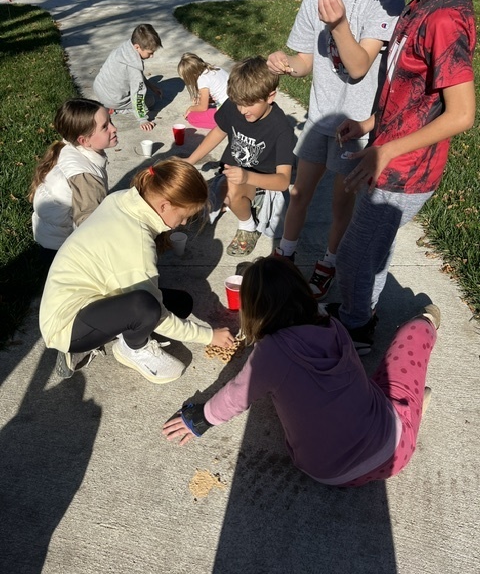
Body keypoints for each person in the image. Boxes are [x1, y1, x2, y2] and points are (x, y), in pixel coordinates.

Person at [163, 257, 440, 487]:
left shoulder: (270, 353)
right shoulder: (334, 327)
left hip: (326, 471)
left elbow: (236, 395)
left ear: (254, 311)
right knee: (412, 334)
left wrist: (202, 418)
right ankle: (426, 331)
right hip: (391, 448)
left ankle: (412, 409)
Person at [327, 0, 476, 354]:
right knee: (370, 248)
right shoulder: (421, 4)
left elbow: (461, 113)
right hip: (389, 156)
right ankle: (361, 311)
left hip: (407, 170)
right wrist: (368, 124)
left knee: (356, 254)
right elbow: (413, 94)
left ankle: (355, 328)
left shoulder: (446, 15)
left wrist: (386, 150)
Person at [267, 0, 405, 299]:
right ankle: (285, 256)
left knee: (340, 203)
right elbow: (306, 62)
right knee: (299, 194)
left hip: (355, 124)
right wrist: (286, 65)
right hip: (319, 117)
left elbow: (359, 66)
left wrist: (339, 24)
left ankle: (329, 261)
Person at [39, 159, 234, 384]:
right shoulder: (137, 242)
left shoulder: (124, 199)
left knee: (181, 304)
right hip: (66, 324)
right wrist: (209, 336)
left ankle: (124, 331)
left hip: (83, 294)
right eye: (184, 215)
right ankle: (132, 349)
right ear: (164, 205)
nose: (184, 222)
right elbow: (157, 315)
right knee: (146, 308)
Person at [185, 56, 296, 256]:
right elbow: (219, 131)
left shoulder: (282, 129)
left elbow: (282, 181)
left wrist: (246, 177)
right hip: (232, 174)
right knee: (192, 208)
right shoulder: (234, 105)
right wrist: (190, 161)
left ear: (270, 96)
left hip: (263, 185)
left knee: (231, 187)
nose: (243, 110)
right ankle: (229, 202)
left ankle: (248, 226)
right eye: (238, 104)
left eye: (249, 104)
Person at [29, 98, 117, 267]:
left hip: (49, 235)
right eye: (105, 127)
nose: (114, 128)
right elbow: (88, 224)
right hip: (60, 251)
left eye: (110, 121)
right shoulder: (85, 177)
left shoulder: (71, 147)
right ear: (84, 140)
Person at [93, 24, 163, 132]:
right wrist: (142, 119)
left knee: (146, 91)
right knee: (150, 101)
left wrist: (151, 85)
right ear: (137, 47)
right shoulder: (134, 68)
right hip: (113, 100)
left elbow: (137, 73)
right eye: (150, 53)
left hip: (99, 89)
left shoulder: (125, 49)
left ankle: (111, 105)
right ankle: (116, 110)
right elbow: (138, 95)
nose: (152, 56)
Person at [177, 52, 229, 129]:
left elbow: (203, 107)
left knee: (192, 116)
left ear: (192, 75)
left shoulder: (202, 79)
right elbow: (221, 93)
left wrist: (190, 108)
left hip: (227, 112)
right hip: (236, 105)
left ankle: (226, 125)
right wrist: (202, 100)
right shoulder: (216, 68)